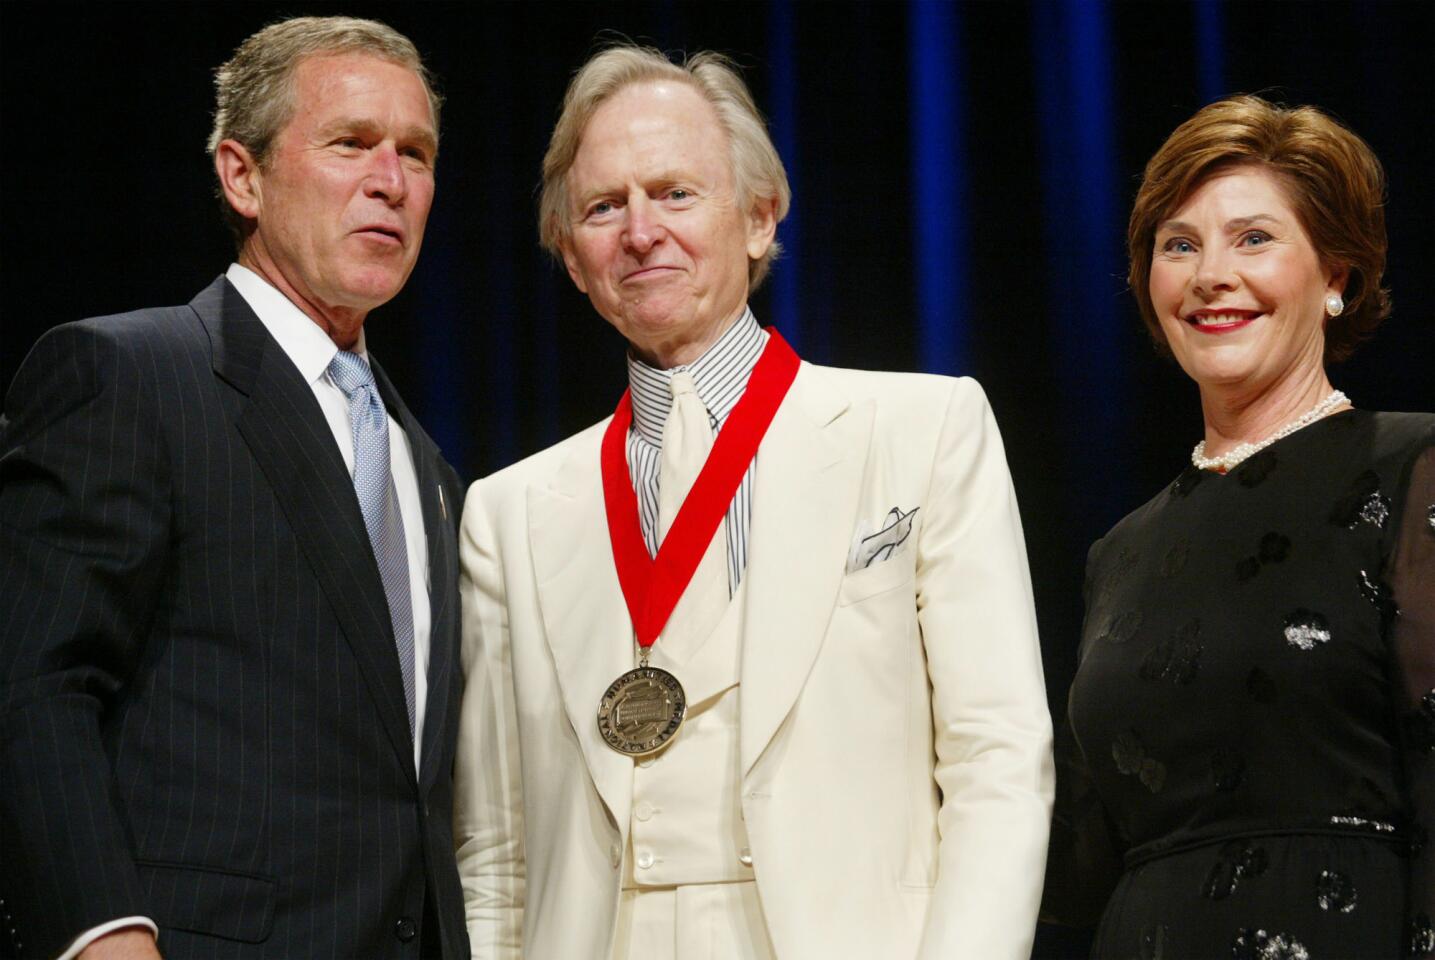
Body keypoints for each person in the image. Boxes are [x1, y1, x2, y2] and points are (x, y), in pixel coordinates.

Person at [452, 44, 1053, 960]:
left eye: (675, 193)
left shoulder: (921, 428)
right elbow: (494, 851)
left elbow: (997, 759)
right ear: (572, 258)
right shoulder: (508, 513)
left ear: (760, 219)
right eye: (604, 207)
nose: (640, 231)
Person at [0, 17, 468, 960]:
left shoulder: (430, 469)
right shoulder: (129, 375)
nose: (391, 180)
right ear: (241, 175)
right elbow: (34, 684)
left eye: (415, 153)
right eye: (350, 143)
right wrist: (102, 937)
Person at [1047, 95, 1435, 957]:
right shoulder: (1119, 550)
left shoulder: (1416, 465)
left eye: (1252, 239)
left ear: (1336, 275)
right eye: (1177, 244)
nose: (1208, 273)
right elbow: (1080, 864)